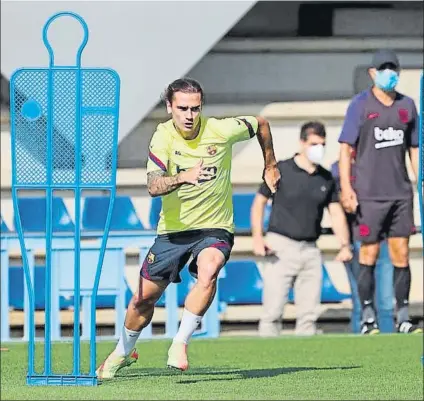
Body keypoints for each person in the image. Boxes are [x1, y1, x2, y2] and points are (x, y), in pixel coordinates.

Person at [96, 77, 281, 379]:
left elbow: (260, 123)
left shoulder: (221, 130)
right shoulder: (163, 136)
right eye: (182, 108)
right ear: (169, 107)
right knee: (142, 300)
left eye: (195, 109)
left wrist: (270, 164)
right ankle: (123, 351)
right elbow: (153, 186)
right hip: (173, 231)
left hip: (215, 226)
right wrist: (184, 176)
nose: (189, 115)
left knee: (209, 270)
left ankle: (179, 343)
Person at [338, 49, 422, 334]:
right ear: (372, 73)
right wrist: (347, 188)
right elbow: (345, 149)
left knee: (401, 253)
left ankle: (403, 317)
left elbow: (414, 149)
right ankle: (368, 317)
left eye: (393, 68)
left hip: (400, 194)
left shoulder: (408, 106)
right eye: (383, 68)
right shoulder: (360, 105)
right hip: (370, 195)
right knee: (369, 254)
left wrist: (419, 181)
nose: (389, 73)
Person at [251, 121, 353, 337]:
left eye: (323, 144)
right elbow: (259, 203)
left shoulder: (326, 178)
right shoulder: (282, 170)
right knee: (272, 311)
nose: (319, 149)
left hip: (310, 250)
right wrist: (258, 238)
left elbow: (335, 213)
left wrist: (344, 245)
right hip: (280, 246)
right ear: (302, 142)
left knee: (308, 316)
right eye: (314, 143)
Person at [331, 154, 395, 334]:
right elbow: (337, 206)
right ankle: (360, 350)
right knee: (360, 303)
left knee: (386, 303)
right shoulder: (337, 170)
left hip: (382, 239)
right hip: (357, 240)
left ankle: (390, 348)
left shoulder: (381, 165)